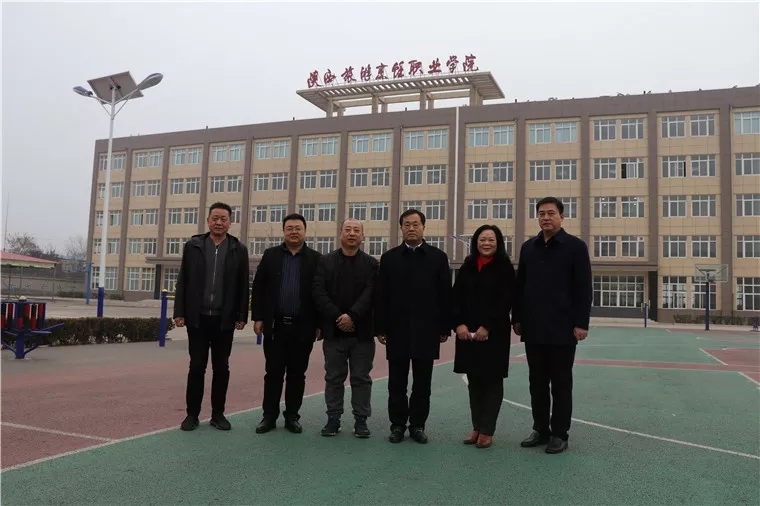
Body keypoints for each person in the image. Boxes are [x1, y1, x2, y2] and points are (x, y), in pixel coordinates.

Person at [511, 196, 592, 454]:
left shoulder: (575, 247)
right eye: (541, 213)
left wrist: (581, 323)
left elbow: (583, 288)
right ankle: (540, 429)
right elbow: (520, 285)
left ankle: (559, 433)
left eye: (551, 213)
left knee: (560, 383)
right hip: (534, 327)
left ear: (561, 217)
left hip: (563, 328)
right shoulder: (528, 248)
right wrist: (517, 318)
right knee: (536, 382)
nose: (546, 218)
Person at [374, 209, 452, 444]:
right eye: (406, 224)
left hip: (427, 330)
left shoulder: (438, 258)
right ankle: (397, 425)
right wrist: (381, 327)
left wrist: (444, 327)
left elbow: (445, 294)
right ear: (401, 228)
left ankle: (418, 425)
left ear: (423, 227)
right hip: (396, 330)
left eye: (415, 224)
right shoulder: (389, 258)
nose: (411, 228)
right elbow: (381, 296)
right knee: (396, 382)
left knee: (422, 383)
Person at [174, 202, 250, 432]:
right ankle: (192, 415)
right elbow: (183, 280)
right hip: (197, 319)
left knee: (221, 368)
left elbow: (243, 285)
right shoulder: (193, 246)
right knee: (197, 366)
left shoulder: (238, 249)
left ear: (230, 222)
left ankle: (218, 414)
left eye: (223, 219)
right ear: (208, 221)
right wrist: (179, 311)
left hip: (224, 320)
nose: (219, 222)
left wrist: (241, 315)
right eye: (215, 218)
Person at [250, 213, 322, 434]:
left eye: (298, 228)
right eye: (289, 228)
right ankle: (269, 417)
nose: (293, 231)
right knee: (273, 373)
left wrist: (319, 323)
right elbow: (259, 287)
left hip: (303, 327)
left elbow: (320, 293)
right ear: (283, 231)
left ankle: (292, 416)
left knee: (297, 374)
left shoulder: (316, 259)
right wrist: (258, 317)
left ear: (305, 231)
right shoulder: (271, 255)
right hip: (275, 326)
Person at [451, 224, 517, 449]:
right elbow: (456, 297)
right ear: (475, 242)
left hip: (494, 335)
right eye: (482, 239)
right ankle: (477, 427)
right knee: (474, 382)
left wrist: (487, 326)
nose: (486, 243)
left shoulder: (504, 267)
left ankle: (487, 429)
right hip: (467, 335)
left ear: (498, 243)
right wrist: (458, 324)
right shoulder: (468, 265)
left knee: (492, 381)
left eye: (491, 239)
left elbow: (506, 300)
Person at [312, 218, 379, 438]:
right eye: (347, 230)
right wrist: (338, 316)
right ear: (340, 234)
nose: (352, 233)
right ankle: (333, 419)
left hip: (362, 333)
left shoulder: (371, 264)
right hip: (333, 333)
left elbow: (371, 294)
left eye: (356, 230)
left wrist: (352, 315)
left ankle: (361, 420)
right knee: (333, 377)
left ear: (363, 236)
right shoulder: (325, 262)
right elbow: (319, 292)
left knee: (361, 378)